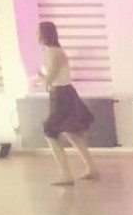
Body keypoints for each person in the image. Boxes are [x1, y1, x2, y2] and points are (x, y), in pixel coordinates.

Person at [34, 21, 98, 185]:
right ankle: (91, 168)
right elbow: (51, 78)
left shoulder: (53, 53)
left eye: (37, 32)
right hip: (63, 93)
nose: (35, 35)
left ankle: (66, 175)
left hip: (61, 95)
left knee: (50, 132)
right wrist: (42, 79)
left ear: (44, 34)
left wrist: (40, 80)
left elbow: (50, 80)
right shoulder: (51, 51)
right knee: (72, 133)